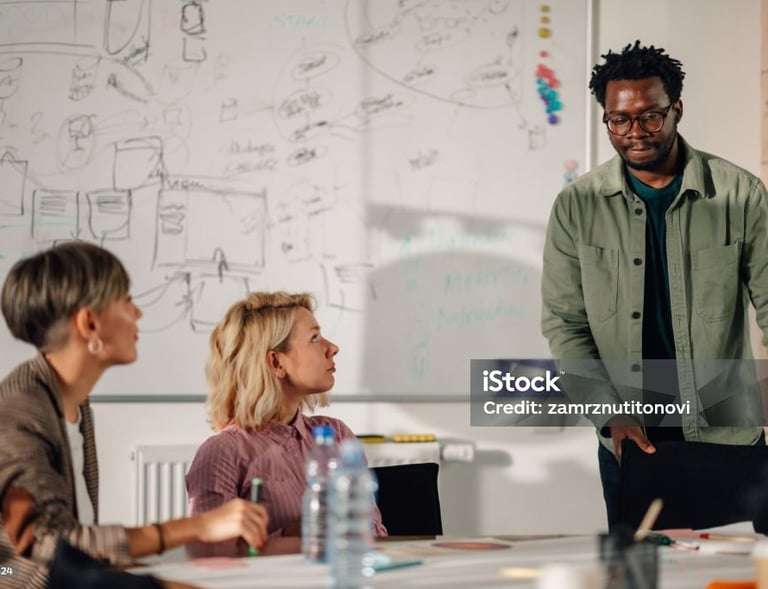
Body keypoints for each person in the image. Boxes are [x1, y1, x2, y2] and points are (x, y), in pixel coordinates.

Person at [541, 40, 768, 529]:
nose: (635, 133)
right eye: (619, 120)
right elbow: (565, 324)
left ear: (676, 110)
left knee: (742, 567)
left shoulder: (740, 194)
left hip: (726, 437)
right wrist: (609, 414)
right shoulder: (576, 206)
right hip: (632, 439)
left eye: (650, 117)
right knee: (638, 568)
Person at [0, 242, 269, 589]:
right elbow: (48, 542)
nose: (138, 313)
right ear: (89, 323)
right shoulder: (21, 412)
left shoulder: (73, 401)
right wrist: (198, 526)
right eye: (126, 300)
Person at [186, 292, 386, 552]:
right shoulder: (222, 453)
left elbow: (375, 534)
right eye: (314, 338)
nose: (332, 348)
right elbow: (210, 556)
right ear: (276, 362)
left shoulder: (337, 435)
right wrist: (293, 535)